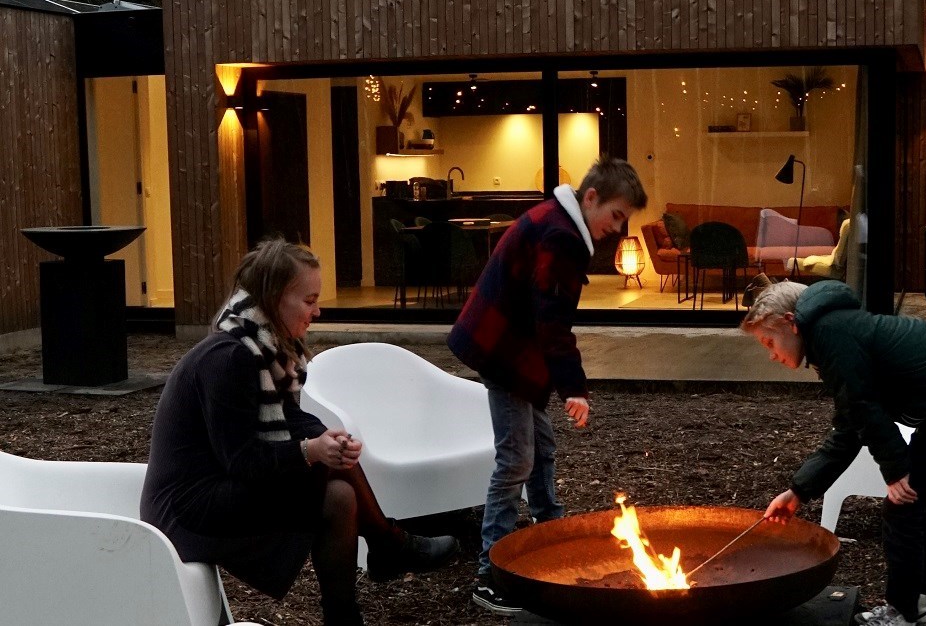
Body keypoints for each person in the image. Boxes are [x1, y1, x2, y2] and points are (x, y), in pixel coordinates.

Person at [141, 238, 459, 626]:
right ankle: (388, 545)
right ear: (275, 297)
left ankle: (355, 599)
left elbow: (290, 417)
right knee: (332, 481)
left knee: (339, 496)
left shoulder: (261, 345)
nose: (317, 311)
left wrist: (331, 439)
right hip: (188, 508)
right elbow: (243, 461)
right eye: (308, 301)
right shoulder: (229, 358)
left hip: (217, 488)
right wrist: (311, 451)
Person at [448, 156, 648, 614]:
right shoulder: (562, 236)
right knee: (516, 458)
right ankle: (489, 572)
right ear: (591, 197)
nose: (618, 228)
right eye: (616, 215)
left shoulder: (553, 220)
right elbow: (552, 320)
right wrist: (573, 387)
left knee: (542, 445)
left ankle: (548, 533)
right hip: (504, 352)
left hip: (507, 347)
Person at [742, 279, 926, 626]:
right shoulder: (831, 334)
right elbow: (850, 426)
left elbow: (863, 409)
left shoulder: (831, 334)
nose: (772, 354)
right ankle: (917, 607)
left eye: (769, 342)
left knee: (902, 506)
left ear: (791, 322)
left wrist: (896, 471)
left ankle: (904, 613)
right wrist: (798, 491)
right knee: (910, 505)